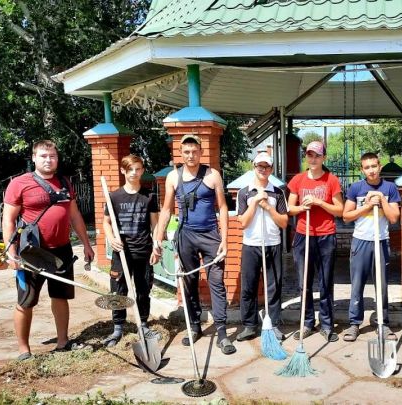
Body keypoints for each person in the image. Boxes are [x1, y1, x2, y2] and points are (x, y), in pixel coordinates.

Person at [3, 140, 95, 361]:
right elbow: (8, 219)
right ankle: (24, 349)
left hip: (61, 251)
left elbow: (74, 215)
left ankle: (63, 341)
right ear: (34, 158)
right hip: (32, 253)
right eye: (43, 156)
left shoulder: (64, 182)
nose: (48, 160)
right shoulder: (19, 183)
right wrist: (11, 252)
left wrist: (86, 244)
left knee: (60, 297)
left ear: (57, 158)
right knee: (26, 301)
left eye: (52, 156)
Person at [153, 135, 235, 355]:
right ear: (181, 153)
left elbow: (223, 208)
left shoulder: (212, 175)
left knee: (216, 283)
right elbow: (167, 210)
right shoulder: (173, 177)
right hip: (185, 236)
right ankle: (195, 326)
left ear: (200, 152)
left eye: (194, 151)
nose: (191, 155)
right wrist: (158, 239)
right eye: (186, 152)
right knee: (189, 283)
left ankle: (222, 332)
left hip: (210, 236)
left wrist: (225, 239)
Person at [287, 140, 344, 342]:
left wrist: (320, 202)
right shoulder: (298, 180)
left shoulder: (331, 180)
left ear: (323, 158)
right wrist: (303, 207)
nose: (313, 159)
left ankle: (327, 324)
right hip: (304, 235)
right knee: (305, 283)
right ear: (306, 157)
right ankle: (307, 322)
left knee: (325, 282)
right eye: (310, 155)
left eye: (317, 155)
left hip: (325, 236)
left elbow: (340, 210)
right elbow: (289, 208)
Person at [102, 155, 161, 347]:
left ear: (142, 170)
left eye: (138, 169)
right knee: (118, 291)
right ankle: (118, 327)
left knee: (143, 290)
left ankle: (142, 323)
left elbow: (155, 225)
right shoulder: (114, 197)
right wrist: (111, 239)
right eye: (130, 169)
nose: (134, 173)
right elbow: (106, 222)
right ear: (123, 171)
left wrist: (156, 247)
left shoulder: (149, 196)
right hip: (122, 253)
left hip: (143, 251)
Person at [342, 152, 401, 342]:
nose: (371, 170)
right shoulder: (356, 188)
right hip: (360, 241)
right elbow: (346, 216)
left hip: (381, 241)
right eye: (367, 167)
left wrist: (381, 199)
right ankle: (354, 323)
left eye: (374, 166)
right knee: (357, 284)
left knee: (381, 285)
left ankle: (382, 323)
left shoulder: (390, 188)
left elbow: (393, 218)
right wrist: (367, 205)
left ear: (380, 166)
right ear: (362, 169)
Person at [235, 152, 289, 341]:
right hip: (251, 245)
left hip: (272, 244)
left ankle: (273, 324)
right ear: (253, 166)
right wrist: (256, 202)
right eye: (260, 166)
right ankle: (249, 325)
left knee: (274, 286)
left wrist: (268, 206)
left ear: (271, 169)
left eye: (266, 166)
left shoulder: (278, 192)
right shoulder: (244, 192)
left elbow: (284, 222)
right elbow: (243, 222)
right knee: (248, 287)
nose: (263, 169)